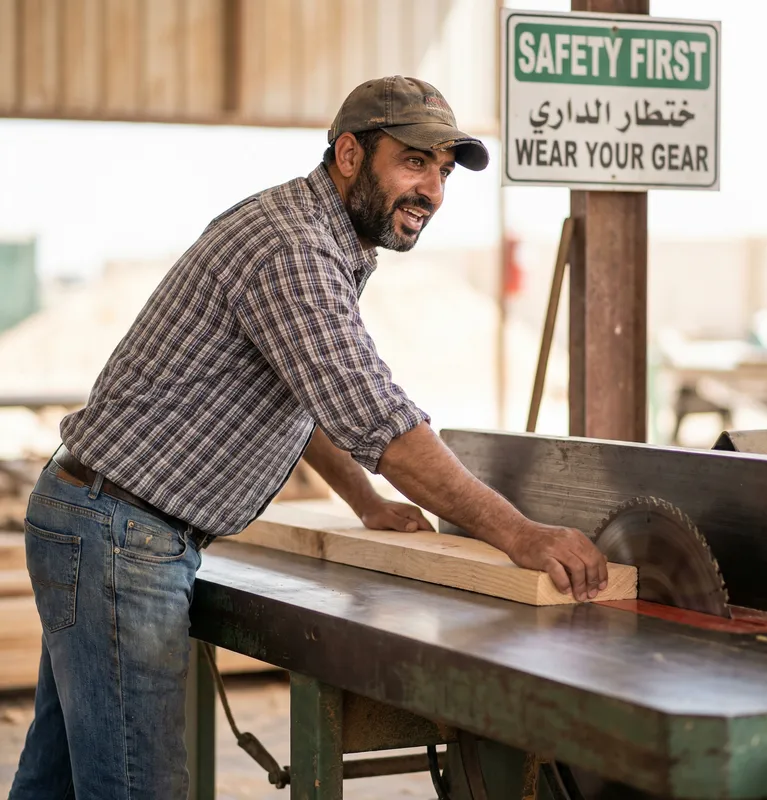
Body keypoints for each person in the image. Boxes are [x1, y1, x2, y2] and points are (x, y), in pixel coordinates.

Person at [10, 76, 607, 799]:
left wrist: (364, 502)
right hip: (120, 536)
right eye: (414, 162)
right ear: (350, 154)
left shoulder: (318, 236)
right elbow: (382, 421)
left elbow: (302, 393)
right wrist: (522, 535)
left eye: (443, 171)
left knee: (58, 781)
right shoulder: (293, 250)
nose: (433, 191)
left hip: (102, 519)